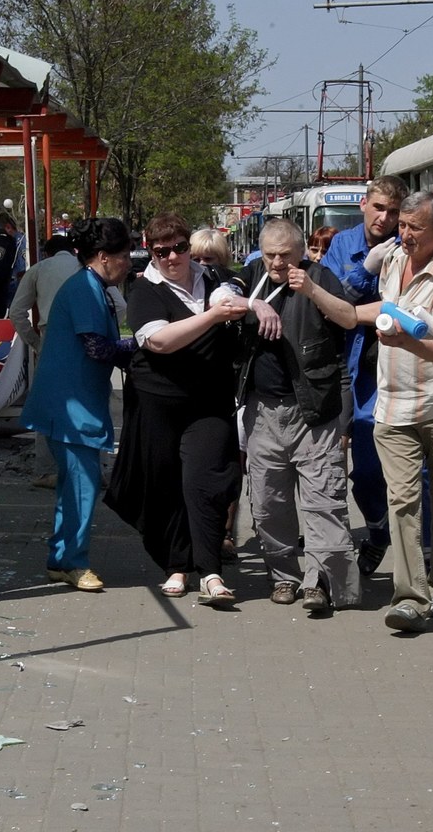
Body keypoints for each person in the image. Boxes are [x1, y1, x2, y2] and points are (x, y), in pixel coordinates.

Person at [105, 213, 266, 607]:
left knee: (206, 482)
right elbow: (158, 341)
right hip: (157, 404)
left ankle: (210, 571)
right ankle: (176, 565)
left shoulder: (212, 278)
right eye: (163, 252)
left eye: (179, 248)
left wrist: (257, 305)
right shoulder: (145, 290)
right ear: (152, 253)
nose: (173, 257)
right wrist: (211, 317)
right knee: (165, 485)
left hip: (209, 402)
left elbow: (239, 296)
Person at [355, 190, 433, 633]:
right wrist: (351, 313)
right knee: (402, 500)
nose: (403, 234)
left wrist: (407, 341)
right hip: (393, 405)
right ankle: (409, 598)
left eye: (414, 228)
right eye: (401, 225)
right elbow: (384, 309)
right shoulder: (390, 259)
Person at [237, 218, 361, 613]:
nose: (276, 263)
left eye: (285, 256)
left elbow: (348, 318)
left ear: (302, 252)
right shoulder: (252, 275)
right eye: (270, 255)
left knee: (324, 502)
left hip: (314, 412)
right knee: (268, 504)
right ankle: (284, 577)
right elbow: (220, 300)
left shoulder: (321, 276)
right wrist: (252, 303)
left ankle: (321, 582)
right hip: (263, 412)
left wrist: (310, 289)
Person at [19, 218, 136, 593]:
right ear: (104, 257)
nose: (129, 263)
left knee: (72, 485)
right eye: (124, 256)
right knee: (83, 486)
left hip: (68, 403)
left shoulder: (89, 285)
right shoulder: (86, 289)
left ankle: (61, 558)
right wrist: (145, 344)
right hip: (72, 407)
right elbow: (97, 347)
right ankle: (73, 562)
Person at [320, 176, 407, 575]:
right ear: (364, 205)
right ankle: (376, 533)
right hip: (354, 372)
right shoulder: (343, 245)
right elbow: (329, 302)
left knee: (415, 474)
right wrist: (365, 272)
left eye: (393, 211)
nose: (385, 218)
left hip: (403, 368)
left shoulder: (412, 242)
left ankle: (422, 561)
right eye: (379, 208)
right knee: (367, 472)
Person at [9, 235, 83, 488]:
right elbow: (118, 304)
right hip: (87, 335)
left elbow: (17, 312)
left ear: (47, 253)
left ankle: (47, 470)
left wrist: (35, 342)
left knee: (47, 406)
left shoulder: (39, 269)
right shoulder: (87, 267)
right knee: (90, 402)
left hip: (51, 336)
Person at [189, 227, 241, 560]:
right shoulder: (183, 289)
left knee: (232, 465)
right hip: (194, 386)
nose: (203, 265)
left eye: (210, 259)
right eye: (196, 258)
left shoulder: (233, 286)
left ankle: (225, 532)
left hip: (231, 384)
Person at [0, 212, 28, 310]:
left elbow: (23, 266)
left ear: (8, 227)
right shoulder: (13, 241)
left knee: (14, 311)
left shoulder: (20, 242)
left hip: (16, 281)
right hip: (12, 281)